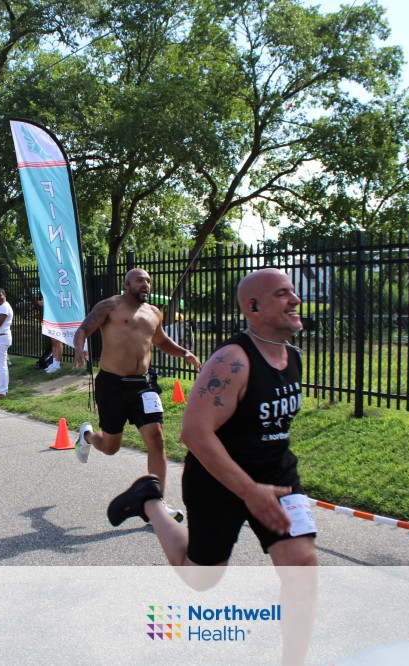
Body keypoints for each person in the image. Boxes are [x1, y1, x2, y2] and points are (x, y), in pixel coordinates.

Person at [106, 267, 316, 666]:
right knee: (200, 577)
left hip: (276, 477)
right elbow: (195, 433)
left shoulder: (292, 357)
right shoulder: (231, 361)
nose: (295, 300)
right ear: (253, 307)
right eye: (282, 294)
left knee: (301, 565)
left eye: (293, 291)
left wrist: (261, 486)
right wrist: (248, 490)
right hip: (218, 480)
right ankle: (150, 502)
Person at [72, 267, 201, 522]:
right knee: (111, 447)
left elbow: (162, 341)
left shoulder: (153, 312)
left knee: (157, 439)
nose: (145, 284)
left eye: (148, 281)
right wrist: (79, 348)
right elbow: (83, 329)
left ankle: (157, 504)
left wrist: (184, 352)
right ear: (126, 284)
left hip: (144, 385)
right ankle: (87, 436)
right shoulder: (110, 306)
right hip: (113, 385)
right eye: (140, 280)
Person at [36, 293, 64, 373]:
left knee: (57, 340)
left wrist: (45, 303)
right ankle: (54, 363)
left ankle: (57, 363)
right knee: (53, 341)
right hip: (51, 317)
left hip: (58, 316)